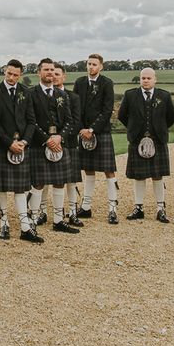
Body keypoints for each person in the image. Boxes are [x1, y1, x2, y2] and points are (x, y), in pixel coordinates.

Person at [28, 58, 80, 235]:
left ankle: (58, 220)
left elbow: (69, 121)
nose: (49, 72)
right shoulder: (31, 94)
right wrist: (46, 139)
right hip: (38, 144)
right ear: (39, 72)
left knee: (60, 182)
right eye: (46, 70)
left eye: (52, 69)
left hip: (58, 144)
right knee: (38, 183)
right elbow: (30, 122)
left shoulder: (62, 95)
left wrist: (59, 137)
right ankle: (33, 220)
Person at [117, 67, 174, 222]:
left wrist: (159, 128)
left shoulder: (164, 95)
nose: (146, 81)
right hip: (137, 140)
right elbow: (122, 115)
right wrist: (133, 129)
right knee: (139, 176)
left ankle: (160, 209)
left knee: (158, 175)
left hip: (158, 140)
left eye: (149, 78)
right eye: (143, 78)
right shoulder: (130, 95)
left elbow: (171, 117)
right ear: (140, 79)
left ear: (155, 79)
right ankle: (138, 208)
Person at [0, 59, 42, 243]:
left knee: (21, 188)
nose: (12, 77)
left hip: (22, 145)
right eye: (9, 74)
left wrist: (24, 141)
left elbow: (31, 121)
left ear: (20, 74)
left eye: (15, 75)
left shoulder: (25, 92)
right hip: (3, 145)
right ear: (4, 72)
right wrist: (8, 143)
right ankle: (4, 223)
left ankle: (25, 227)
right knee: (3, 188)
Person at [73, 54, 119, 224]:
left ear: (101, 66)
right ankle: (85, 207)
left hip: (101, 132)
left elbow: (107, 111)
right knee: (88, 169)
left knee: (109, 170)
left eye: (94, 64)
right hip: (83, 132)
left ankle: (113, 209)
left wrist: (92, 129)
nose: (91, 67)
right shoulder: (80, 83)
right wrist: (82, 129)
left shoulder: (107, 83)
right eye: (89, 64)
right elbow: (75, 108)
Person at [52, 64, 83, 227]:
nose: (55, 76)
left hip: (69, 143)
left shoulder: (74, 97)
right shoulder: (44, 94)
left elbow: (76, 121)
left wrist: (61, 138)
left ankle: (72, 212)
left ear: (64, 76)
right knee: (44, 180)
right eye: (53, 73)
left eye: (58, 74)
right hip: (48, 144)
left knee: (71, 180)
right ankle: (42, 212)